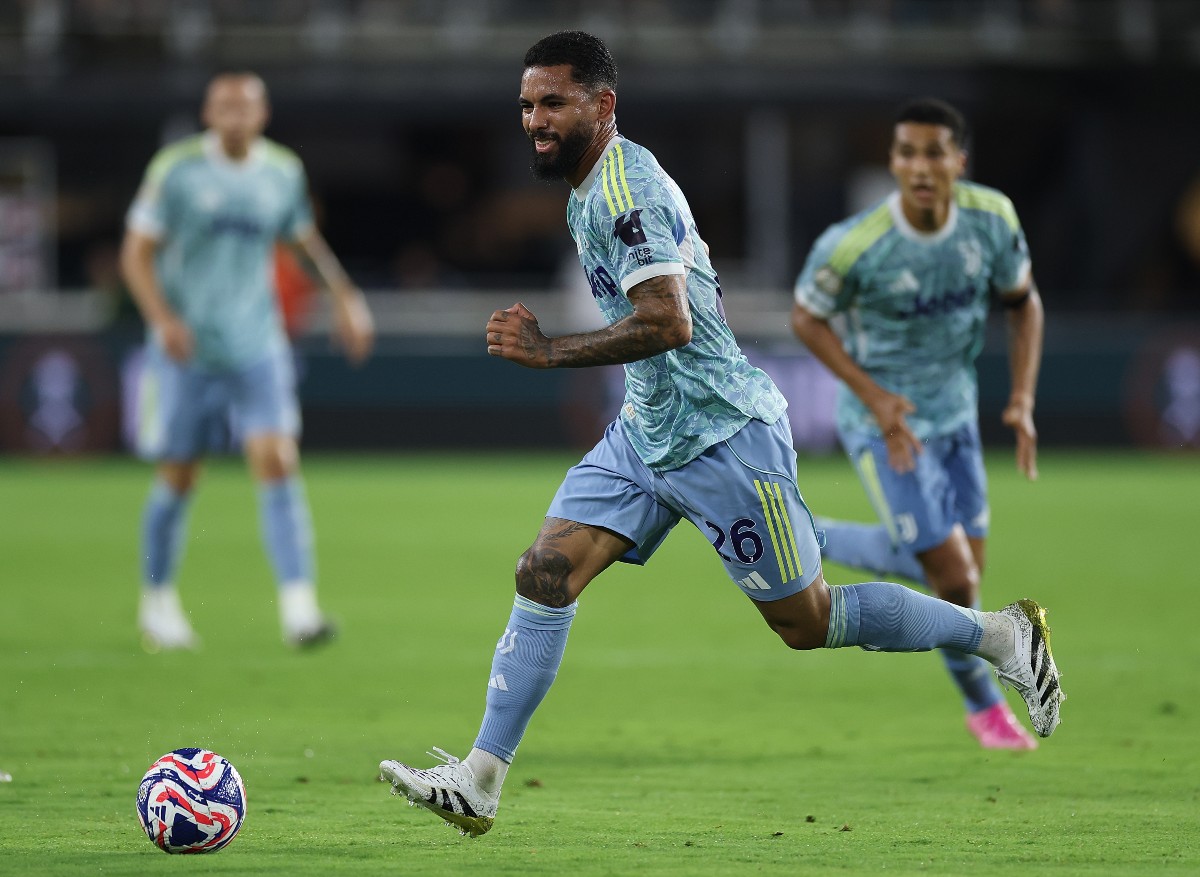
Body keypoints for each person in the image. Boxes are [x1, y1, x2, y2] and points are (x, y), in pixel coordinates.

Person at [379, 33, 1063, 838]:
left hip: (724, 437)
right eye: (527, 104)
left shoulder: (624, 190)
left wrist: (549, 351)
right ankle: (482, 780)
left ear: (603, 106)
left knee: (806, 623)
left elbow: (668, 321)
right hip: (647, 429)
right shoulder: (585, 183)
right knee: (544, 572)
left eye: (553, 102)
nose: (535, 118)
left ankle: (998, 632)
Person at [791, 98, 1046, 750]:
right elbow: (806, 318)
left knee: (959, 572)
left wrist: (1021, 396)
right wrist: (874, 396)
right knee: (957, 580)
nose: (921, 166)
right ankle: (986, 709)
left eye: (936, 152)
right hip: (886, 423)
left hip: (955, 414)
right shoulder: (857, 245)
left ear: (959, 160)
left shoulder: (991, 221)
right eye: (907, 152)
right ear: (894, 162)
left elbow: (1024, 303)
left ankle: (813, 534)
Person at [121, 72, 374, 650]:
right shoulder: (175, 170)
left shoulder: (282, 170)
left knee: (277, 458)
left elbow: (301, 239)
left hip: (257, 341)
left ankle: (299, 608)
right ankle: (157, 601)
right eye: (224, 105)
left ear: (262, 115)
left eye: (246, 105)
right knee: (180, 473)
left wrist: (345, 296)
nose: (235, 115)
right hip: (187, 346)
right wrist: (162, 319)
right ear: (209, 113)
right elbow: (136, 254)